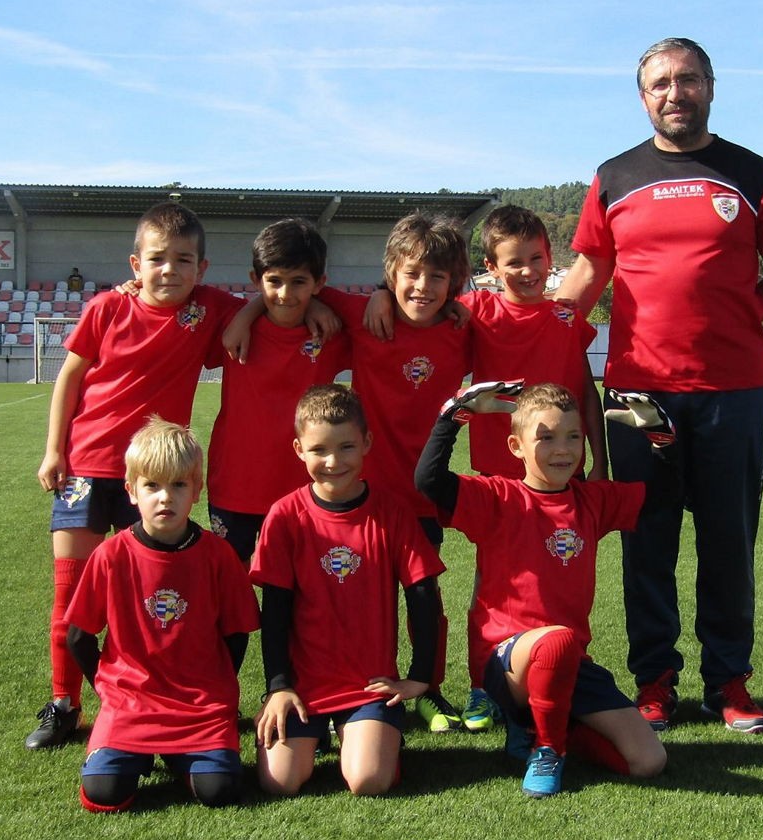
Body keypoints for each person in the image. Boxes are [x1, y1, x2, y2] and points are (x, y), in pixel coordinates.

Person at [555, 37, 763, 734]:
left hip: (735, 391)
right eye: (660, 83)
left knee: (729, 540)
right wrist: (528, 330)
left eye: (687, 79)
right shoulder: (614, 176)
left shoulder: (752, 173)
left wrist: (737, 315)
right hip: (638, 396)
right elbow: (583, 282)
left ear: (710, 86)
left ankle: (728, 683)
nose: (675, 93)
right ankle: (656, 682)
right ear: (644, 97)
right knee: (647, 541)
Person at [364, 205, 606, 733]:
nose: (527, 270)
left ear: (551, 258)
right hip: (500, 481)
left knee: (559, 582)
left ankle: (557, 673)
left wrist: (600, 460)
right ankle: (482, 686)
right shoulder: (474, 310)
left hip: (565, 476)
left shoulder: (568, 318)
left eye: (536, 258)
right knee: (495, 587)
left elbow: (586, 389)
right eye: (513, 262)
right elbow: (426, 297)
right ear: (491, 270)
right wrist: (381, 291)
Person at [28, 201, 245, 750]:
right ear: (135, 264)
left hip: (155, 475)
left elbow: (265, 304)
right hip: (86, 465)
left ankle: (159, 695)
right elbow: (69, 380)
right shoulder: (106, 308)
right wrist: (54, 451)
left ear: (202, 268)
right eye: (157, 259)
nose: (169, 269)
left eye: (183, 259)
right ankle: (63, 704)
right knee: (71, 593)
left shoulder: (209, 308)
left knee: (155, 594)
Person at [415, 381, 668, 797]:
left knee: (647, 761)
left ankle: (545, 730)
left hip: (570, 663)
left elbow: (660, 495)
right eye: (545, 438)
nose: (562, 449)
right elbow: (428, 481)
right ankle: (547, 748)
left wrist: (660, 436)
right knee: (557, 641)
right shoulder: (498, 497)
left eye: (573, 437)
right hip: (507, 663)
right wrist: (454, 414)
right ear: (516, 446)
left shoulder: (591, 500)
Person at [293, 213, 474, 735]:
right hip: (359, 492)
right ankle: (334, 694)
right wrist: (375, 293)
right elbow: (304, 293)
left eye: (437, 276)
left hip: (422, 494)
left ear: (454, 282)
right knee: (347, 601)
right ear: (392, 271)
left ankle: (428, 689)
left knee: (425, 599)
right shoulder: (364, 314)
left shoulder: (462, 328)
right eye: (411, 273)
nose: (423, 286)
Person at [251, 384, 445, 796]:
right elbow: (276, 611)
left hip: (369, 686)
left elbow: (423, 594)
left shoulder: (391, 511)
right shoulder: (285, 516)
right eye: (319, 450)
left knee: (367, 780)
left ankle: (367, 735)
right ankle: (319, 731)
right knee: (279, 782)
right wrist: (279, 686)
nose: (333, 461)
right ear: (299, 449)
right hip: (304, 686)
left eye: (346, 447)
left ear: (367, 443)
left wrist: (420, 677)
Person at [65, 417, 259, 812]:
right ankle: (132, 749)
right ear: (131, 491)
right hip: (131, 703)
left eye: (178, 485)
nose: (165, 498)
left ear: (197, 491)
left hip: (200, 704)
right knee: (103, 793)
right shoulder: (111, 555)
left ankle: (177, 755)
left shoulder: (218, 555)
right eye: (152, 486)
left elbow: (238, 632)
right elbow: (78, 636)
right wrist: (109, 692)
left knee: (219, 790)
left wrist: (218, 684)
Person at [205, 218, 350, 566]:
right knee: (230, 591)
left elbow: (388, 309)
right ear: (256, 281)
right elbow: (181, 299)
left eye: (299, 282)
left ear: (319, 284)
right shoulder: (232, 325)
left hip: (302, 489)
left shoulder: (331, 332)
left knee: (293, 596)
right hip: (234, 486)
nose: (285, 294)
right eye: (274, 282)